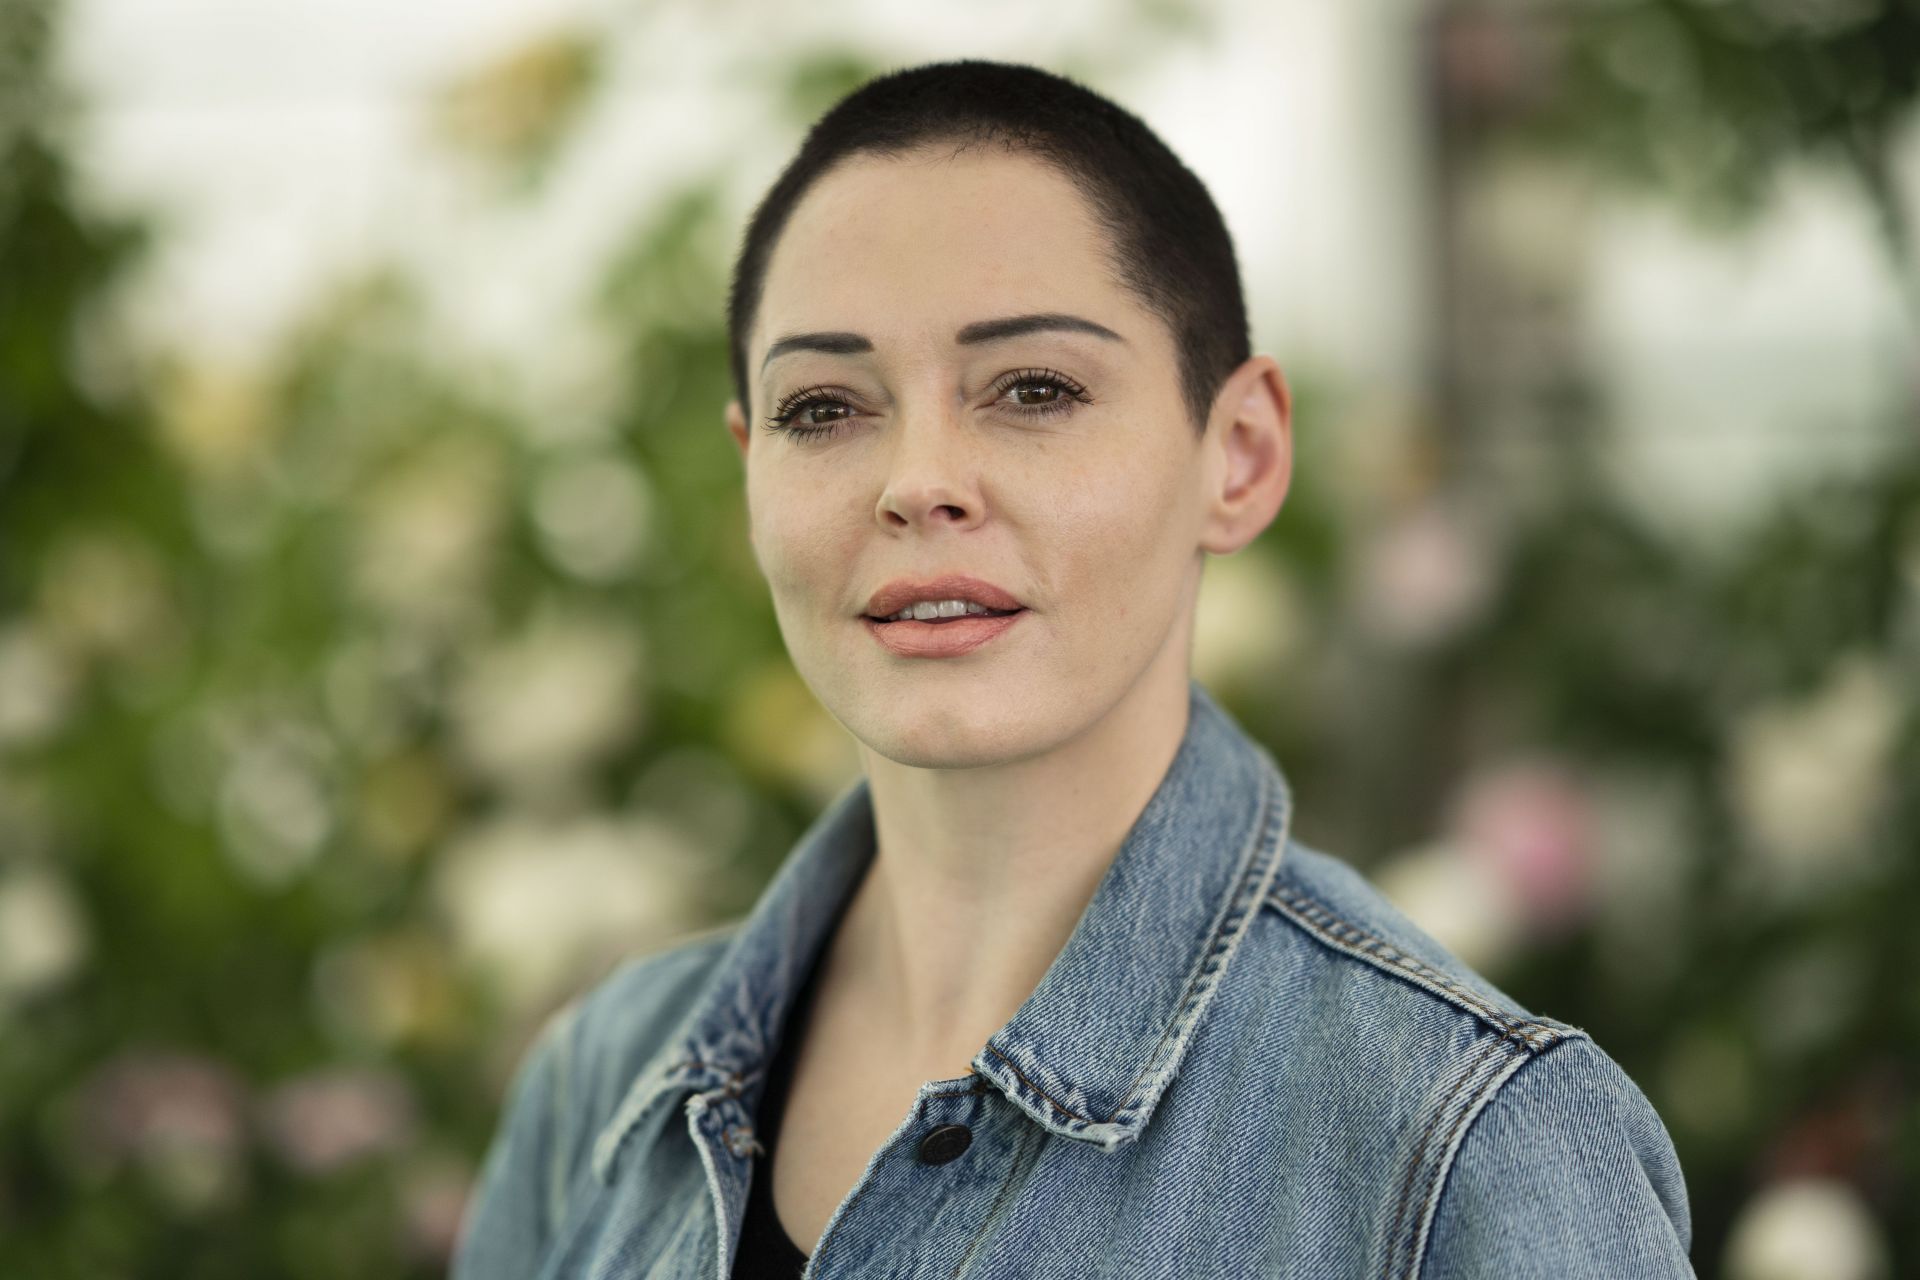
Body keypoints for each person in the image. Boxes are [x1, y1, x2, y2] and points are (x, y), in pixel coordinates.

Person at [451, 58, 1695, 1279]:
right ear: (749, 471)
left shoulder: (1466, 1142)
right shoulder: (602, 1083)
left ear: (1242, 455)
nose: (918, 481)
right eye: (824, 408)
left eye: (1034, 387)